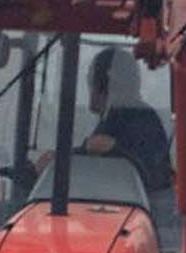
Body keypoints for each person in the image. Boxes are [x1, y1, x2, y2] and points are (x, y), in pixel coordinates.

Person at [35, 47, 172, 195]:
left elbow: (153, 176)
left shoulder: (140, 120)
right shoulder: (112, 118)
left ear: (105, 83)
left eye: (91, 80)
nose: (89, 87)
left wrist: (115, 150)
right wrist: (56, 161)